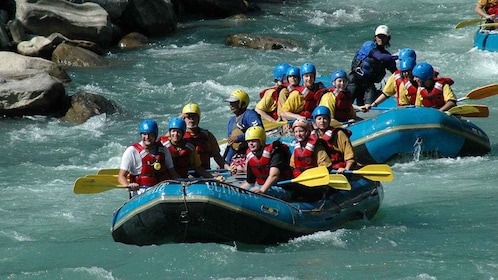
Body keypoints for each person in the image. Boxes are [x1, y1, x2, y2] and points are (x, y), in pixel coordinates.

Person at [118, 119, 179, 198]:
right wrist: (128, 185)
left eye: (150, 134)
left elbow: (172, 173)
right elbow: (121, 176)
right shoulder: (131, 151)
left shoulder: (163, 150)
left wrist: (183, 182)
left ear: (155, 135)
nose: (147, 137)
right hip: (141, 192)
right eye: (144, 134)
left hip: (161, 192)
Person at [348, 24, 398, 107]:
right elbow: (379, 56)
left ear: (388, 39)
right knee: (346, 103)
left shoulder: (387, 56)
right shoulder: (368, 45)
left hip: (368, 84)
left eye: (384, 37)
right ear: (375, 37)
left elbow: (395, 73)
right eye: (379, 36)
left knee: (370, 106)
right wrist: (398, 56)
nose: (381, 39)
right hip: (355, 79)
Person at [239, 126, 293, 195]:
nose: (251, 143)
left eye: (254, 141)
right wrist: (237, 191)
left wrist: (262, 190)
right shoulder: (251, 157)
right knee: (247, 191)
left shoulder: (275, 152)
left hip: (283, 188)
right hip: (264, 188)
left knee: (253, 191)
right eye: (248, 141)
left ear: (261, 141)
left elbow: (274, 175)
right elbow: (250, 183)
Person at [181, 103, 231, 172]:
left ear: (198, 118)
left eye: (194, 116)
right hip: (187, 174)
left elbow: (217, 157)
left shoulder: (208, 136)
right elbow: (165, 141)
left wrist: (228, 168)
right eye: (188, 116)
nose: (191, 119)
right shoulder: (179, 136)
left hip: (205, 173)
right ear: (184, 118)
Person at [224, 89, 263, 170]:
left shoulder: (250, 115)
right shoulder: (231, 120)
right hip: (237, 155)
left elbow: (259, 131)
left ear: (243, 103)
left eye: (234, 103)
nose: (231, 105)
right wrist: (225, 162)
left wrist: (239, 138)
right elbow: (231, 145)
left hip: (250, 153)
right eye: (230, 103)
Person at [311, 106, 356, 173]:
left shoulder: (339, 134)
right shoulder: (313, 136)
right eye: (319, 119)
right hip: (323, 170)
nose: (322, 121)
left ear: (329, 120)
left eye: (325, 118)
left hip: (340, 168)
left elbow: (349, 155)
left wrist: (346, 169)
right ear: (315, 121)